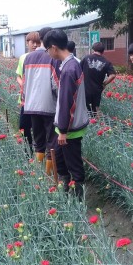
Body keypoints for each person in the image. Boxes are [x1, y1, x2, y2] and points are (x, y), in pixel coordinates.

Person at [44, 29, 89, 197]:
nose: (48, 53)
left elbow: (66, 103)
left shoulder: (69, 69)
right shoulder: (72, 64)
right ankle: (67, 190)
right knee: (62, 161)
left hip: (70, 128)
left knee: (74, 163)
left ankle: (78, 199)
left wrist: (63, 130)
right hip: (68, 126)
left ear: (54, 48)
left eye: (47, 49)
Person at [22, 27, 60, 175]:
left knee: (38, 140)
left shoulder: (28, 57)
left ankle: (38, 171)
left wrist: (26, 100)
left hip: (31, 106)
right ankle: (49, 174)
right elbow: (55, 84)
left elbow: (24, 83)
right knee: (51, 141)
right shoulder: (52, 57)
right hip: (48, 105)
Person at [15, 31, 40, 155]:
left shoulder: (44, 57)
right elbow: (19, 76)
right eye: (32, 42)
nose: (35, 45)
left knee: (38, 127)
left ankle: (40, 151)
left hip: (39, 100)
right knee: (24, 126)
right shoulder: (23, 58)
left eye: (37, 42)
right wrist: (23, 85)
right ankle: (28, 151)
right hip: (25, 99)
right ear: (27, 43)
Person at [80, 42, 116, 113]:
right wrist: (104, 83)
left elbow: (78, 71)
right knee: (95, 111)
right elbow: (113, 75)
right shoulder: (106, 62)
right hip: (97, 91)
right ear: (103, 51)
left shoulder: (86, 58)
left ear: (93, 49)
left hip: (85, 89)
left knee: (85, 111)